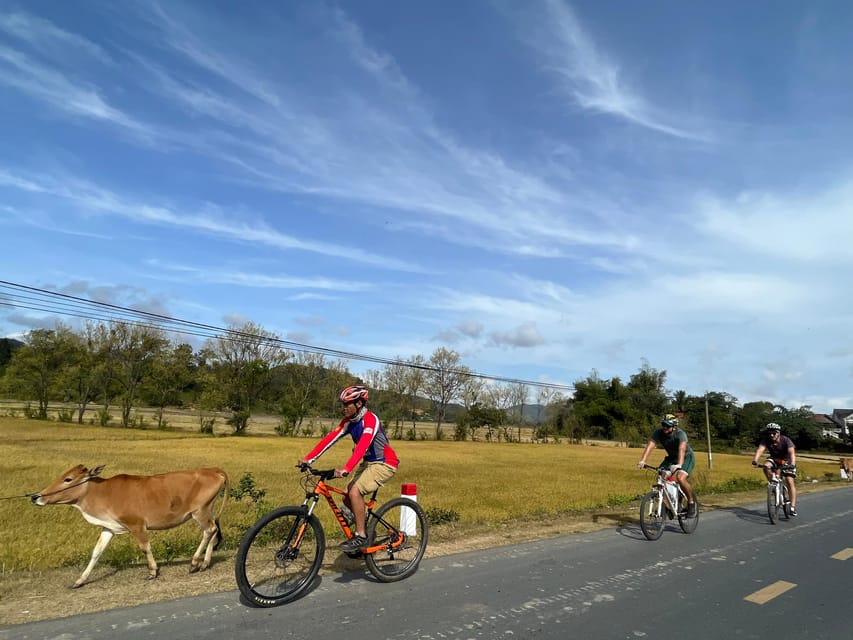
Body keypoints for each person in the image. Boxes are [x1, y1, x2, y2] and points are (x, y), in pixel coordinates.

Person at [298, 385, 399, 552]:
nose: (343, 408)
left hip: (384, 462)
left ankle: (361, 536)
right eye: (342, 404)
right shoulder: (348, 422)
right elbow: (330, 439)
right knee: (348, 498)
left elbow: (363, 446)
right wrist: (308, 459)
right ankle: (366, 527)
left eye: (347, 404)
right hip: (368, 463)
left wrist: (346, 469)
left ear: (359, 403)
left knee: (355, 493)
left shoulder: (370, 420)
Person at [636, 414, 697, 517]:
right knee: (661, 477)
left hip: (686, 458)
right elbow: (650, 446)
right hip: (671, 458)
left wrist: (679, 465)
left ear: (674, 427)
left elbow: (681, 449)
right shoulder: (658, 433)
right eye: (663, 424)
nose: (664, 427)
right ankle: (664, 507)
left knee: (680, 478)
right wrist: (643, 460)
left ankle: (691, 503)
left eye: (667, 426)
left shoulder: (680, 434)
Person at [752, 422, 797, 516]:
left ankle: (792, 507)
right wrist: (755, 460)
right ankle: (773, 484)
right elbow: (760, 450)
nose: (771, 435)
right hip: (775, 459)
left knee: (789, 480)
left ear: (779, 433)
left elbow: (792, 453)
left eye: (774, 433)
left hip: (786, 461)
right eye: (769, 433)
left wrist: (792, 465)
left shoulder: (786, 440)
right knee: (766, 466)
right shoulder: (766, 440)